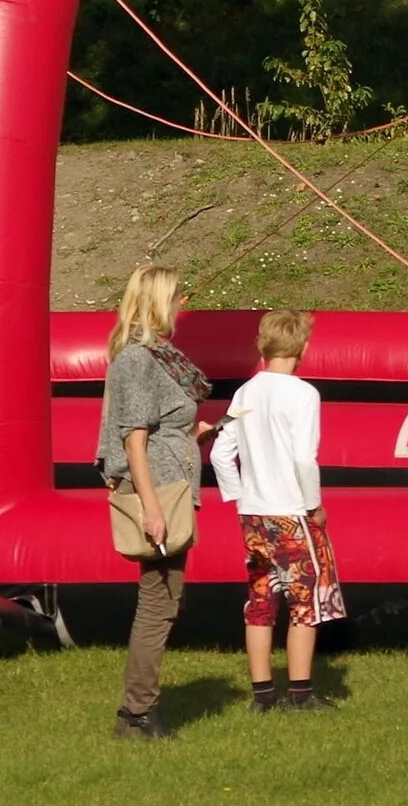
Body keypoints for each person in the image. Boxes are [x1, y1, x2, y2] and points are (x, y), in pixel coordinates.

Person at [95, 263, 215, 740]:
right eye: (177, 297)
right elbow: (134, 442)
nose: (183, 306)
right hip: (158, 495)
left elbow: (158, 432)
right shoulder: (139, 360)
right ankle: (137, 713)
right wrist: (150, 507)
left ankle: (139, 710)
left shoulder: (157, 357)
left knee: (166, 599)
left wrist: (195, 436)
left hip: (170, 490)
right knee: (158, 603)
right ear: (158, 301)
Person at [208, 307, 345, 713]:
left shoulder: (245, 393)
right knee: (305, 601)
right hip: (291, 509)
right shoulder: (303, 394)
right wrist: (313, 504)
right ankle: (300, 693)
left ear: (261, 346)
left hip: (254, 513)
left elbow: (219, 452)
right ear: (302, 347)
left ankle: (262, 693)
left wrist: (239, 494)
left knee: (261, 597)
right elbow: (305, 458)